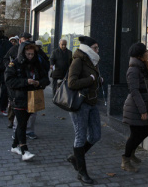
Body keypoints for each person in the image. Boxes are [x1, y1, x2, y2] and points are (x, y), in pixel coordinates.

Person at [66, 36, 103, 185]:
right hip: (80, 104)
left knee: (95, 135)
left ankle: (75, 157)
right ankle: (82, 172)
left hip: (92, 103)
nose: (97, 50)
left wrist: (98, 79)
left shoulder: (92, 60)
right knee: (80, 136)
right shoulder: (78, 60)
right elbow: (72, 82)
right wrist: (92, 79)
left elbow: (92, 78)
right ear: (88, 49)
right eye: (95, 48)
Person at [5, 43, 49, 161]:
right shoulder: (14, 64)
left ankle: (14, 146)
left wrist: (38, 83)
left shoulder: (37, 64)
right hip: (18, 98)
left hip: (32, 97)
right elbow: (9, 81)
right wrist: (26, 82)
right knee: (22, 123)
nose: (30, 56)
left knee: (22, 123)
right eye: (28, 54)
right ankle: (24, 150)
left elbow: (46, 79)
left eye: (32, 54)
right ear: (23, 53)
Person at [121, 42, 148, 172]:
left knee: (144, 132)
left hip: (140, 105)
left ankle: (131, 153)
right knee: (136, 135)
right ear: (140, 55)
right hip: (135, 107)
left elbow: (145, 78)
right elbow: (134, 91)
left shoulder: (140, 67)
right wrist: (142, 110)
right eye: (146, 51)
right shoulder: (133, 69)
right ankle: (125, 161)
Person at [4, 32, 32, 128]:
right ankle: (11, 120)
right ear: (20, 41)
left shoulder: (33, 51)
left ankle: (24, 124)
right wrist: (9, 67)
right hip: (16, 81)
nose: (27, 41)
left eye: (29, 39)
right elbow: (6, 59)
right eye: (25, 39)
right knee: (13, 102)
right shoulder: (14, 49)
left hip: (27, 83)